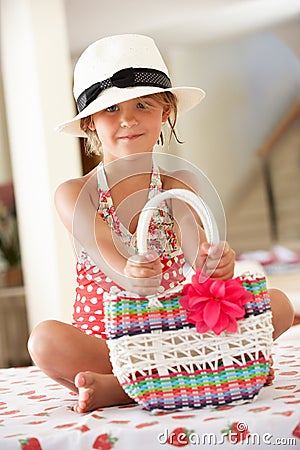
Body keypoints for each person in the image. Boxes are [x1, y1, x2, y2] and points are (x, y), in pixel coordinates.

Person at [28, 34, 294, 414]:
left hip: (173, 332)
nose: (128, 119)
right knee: (44, 340)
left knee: (278, 304)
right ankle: (206, 373)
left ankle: (125, 388)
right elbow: (106, 252)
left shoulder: (178, 186)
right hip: (109, 338)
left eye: (143, 104)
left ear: (166, 111)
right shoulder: (75, 194)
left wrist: (215, 261)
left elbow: (197, 251)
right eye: (110, 109)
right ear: (90, 122)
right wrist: (129, 270)